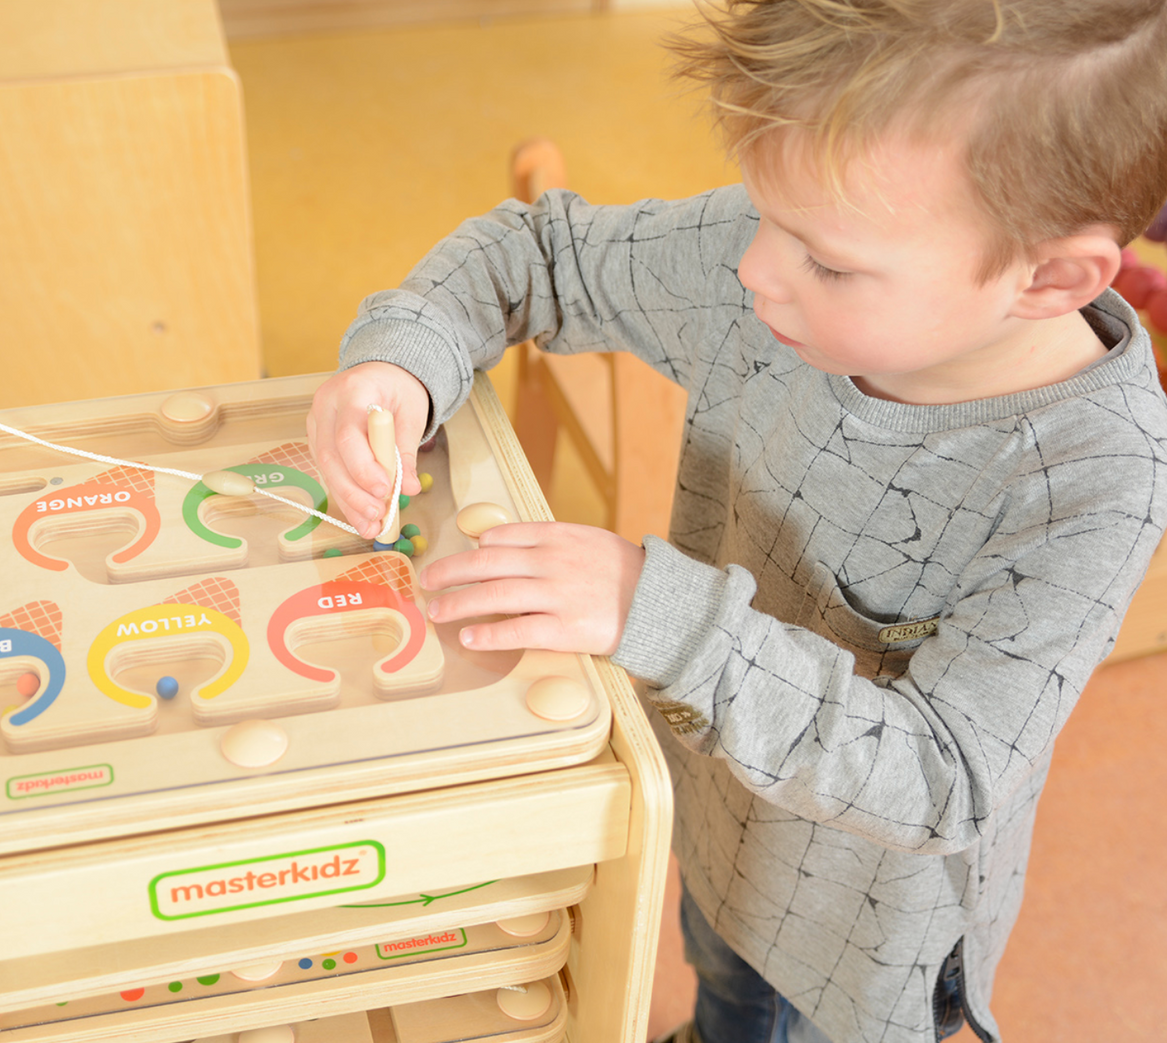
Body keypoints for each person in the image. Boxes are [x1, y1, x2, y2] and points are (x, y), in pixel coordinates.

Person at [306, 2, 1167, 1040]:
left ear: (1047, 277)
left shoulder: (1094, 477)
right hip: (712, 816)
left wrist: (646, 605)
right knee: (719, 982)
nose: (755, 268)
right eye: (764, 213)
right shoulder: (782, 259)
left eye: (826, 260)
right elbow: (536, 255)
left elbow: (946, 777)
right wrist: (399, 359)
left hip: (853, 939)